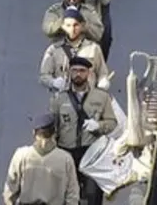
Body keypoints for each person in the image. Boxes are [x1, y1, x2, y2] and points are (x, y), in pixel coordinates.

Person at [49, 56, 117, 205]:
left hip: (92, 153)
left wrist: (98, 125)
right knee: (66, 194)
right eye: (74, 71)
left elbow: (112, 123)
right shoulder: (59, 99)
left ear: (89, 74)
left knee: (93, 195)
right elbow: (52, 127)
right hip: (67, 151)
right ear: (69, 73)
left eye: (82, 71)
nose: (78, 74)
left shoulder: (101, 97)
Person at [2, 113, 80, 205]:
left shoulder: (21, 155)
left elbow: (9, 191)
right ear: (54, 132)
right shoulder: (66, 159)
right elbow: (73, 194)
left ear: (34, 133)